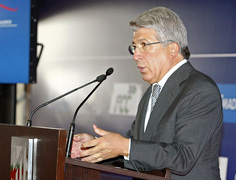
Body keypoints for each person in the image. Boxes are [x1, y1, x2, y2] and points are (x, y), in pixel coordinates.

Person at [70, 6, 223, 179]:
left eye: (144, 45)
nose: (136, 55)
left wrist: (125, 146)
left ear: (172, 49)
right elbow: (139, 152)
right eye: (134, 47)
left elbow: (183, 158)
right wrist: (95, 147)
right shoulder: (152, 92)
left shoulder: (200, 90)